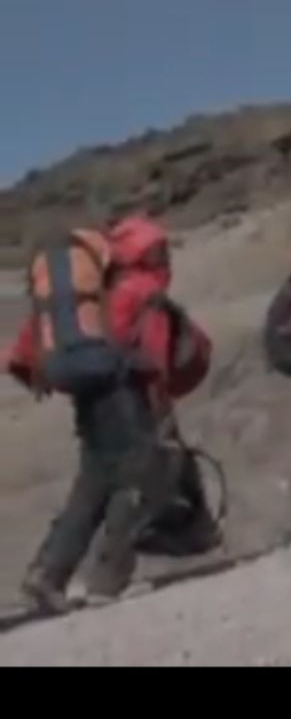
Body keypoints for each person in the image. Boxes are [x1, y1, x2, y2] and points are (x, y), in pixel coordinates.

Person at [7, 216, 213, 613]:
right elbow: (153, 362)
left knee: (94, 483)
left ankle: (48, 573)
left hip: (87, 394)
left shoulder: (91, 294)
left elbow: (26, 346)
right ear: (153, 254)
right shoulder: (143, 291)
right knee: (139, 477)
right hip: (124, 395)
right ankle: (107, 578)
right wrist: (162, 417)